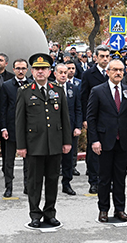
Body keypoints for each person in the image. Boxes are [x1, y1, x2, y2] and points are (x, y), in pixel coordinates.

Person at [15, 53, 72, 228]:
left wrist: (67, 141)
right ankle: (34, 214)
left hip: (54, 144)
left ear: (49, 71)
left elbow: (65, 119)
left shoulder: (58, 90)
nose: (40, 72)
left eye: (44, 69)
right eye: (37, 69)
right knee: (34, 182)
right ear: (32, 71)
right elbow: (19, 121)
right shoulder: (24, 92)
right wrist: (21, 146)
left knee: (53, 180)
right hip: (34, 145)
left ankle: (50, 213)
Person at [87, 59, 127, 223]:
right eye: (115, 70)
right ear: (108, 72)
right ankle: (103, 209)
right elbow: (91, 118)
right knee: (103, 178)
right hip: (104, 142)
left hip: (123, 142)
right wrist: (94, 140)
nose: (118, 73)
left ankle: (120, 209)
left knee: (120, 178)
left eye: (121, 70)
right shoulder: (98, 91)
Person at [80, 45, 111, 194]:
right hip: (94, 117)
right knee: (93, 151)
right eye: (102, 56)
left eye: (107, 56)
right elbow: (84, 97)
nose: (105, 59)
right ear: (96, 58)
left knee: (109, 150)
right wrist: (85, 118)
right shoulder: (88, 74)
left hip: (110, 118)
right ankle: (93, 181)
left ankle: (106, 181)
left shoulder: (113, 73)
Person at [0, 58, 33, 197]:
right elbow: (2, 108)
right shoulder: (7, 86)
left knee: (29, 161)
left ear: (27, 70)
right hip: (12, 128)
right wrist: (3, 128)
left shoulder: (32, 85)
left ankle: (28, 186)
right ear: (13, 70)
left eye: (23, 68)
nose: (20, 71)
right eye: (18, 68)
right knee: (9, 161)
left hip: (29, 129)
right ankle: (9, 187)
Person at [54, 63, 82, 196]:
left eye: (66, 72)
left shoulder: (73, 88)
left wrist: (78, 126)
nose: (64, 75)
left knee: (68, 158)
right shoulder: (49, 88)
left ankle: (67, 183)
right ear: (55, 74)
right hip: (53, 130)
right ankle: (52, 185)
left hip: (69, 129)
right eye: (61, 72)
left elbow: (78, 109)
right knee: (53, 158)